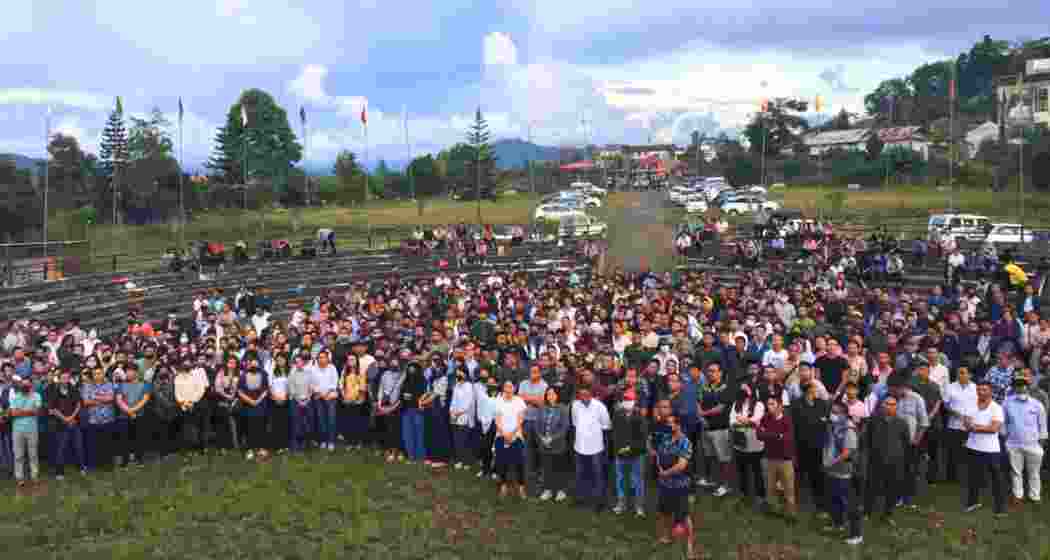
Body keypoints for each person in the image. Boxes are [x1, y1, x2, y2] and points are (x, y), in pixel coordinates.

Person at [654, 413, 699, 560]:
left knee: (684, 516)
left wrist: (665, 473)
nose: (669, 425)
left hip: (680, 485)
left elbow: (681, 465)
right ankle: (667, 537)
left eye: (672, 423)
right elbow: (658, 454)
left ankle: (690, 547)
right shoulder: (665, 439)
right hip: (665, 485)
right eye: (668, 423)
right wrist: (659, 467)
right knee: (664, 512)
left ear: (679, 425)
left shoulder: (685, 442)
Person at [963, 379, 1006, 515]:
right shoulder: (970, 405)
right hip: (973, 447)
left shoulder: (996, 408)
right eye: (979, 390)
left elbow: (994, 429)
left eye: (984, 390)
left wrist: (975, 427)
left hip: (991, 449)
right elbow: (966, 424)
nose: (981, 392)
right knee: (973, 477)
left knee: (996, 479)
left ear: (990, 392)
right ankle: (973, 502)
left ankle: (1000, 508)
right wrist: (982, 427)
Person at [1003, 375, 1048, 504]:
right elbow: (1004, 422)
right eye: (1018, 384)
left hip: (1033, 444)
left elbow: (1042, 425)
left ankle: (1035, 496)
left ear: (1027, 386)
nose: (1021, 387)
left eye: (1023, 384)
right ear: (1014, 387)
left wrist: (1041, 443)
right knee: (1016, 472)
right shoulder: (1007, 403)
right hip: (1013, 443)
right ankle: (1018, 495)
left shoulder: (1037, 404)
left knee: (1034, 472)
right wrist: (1006, 438)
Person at [823, 400, 861, 545]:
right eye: (832, 412)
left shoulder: (848, 429)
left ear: (844, 414)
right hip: (832, 471)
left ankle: (856, 534)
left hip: (845, 472)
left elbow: (847, 453)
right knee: (834, 500)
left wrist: (830, 463)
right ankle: (838, 523)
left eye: (836, 412)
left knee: (850, 504)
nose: (833, 415)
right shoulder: (832, 426)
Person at [572, 384, 611, 511]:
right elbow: (575, 422)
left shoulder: (599, 407)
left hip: (595, 446)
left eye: (586, 395)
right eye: (581, 395)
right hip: (579, 446)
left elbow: (606, 425)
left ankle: (599, 501)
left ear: (591, 394)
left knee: (597, 474)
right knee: (580, 474)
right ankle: (580, 499)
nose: (584, 397)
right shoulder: (575, 406)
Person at [757, 395, 796, 519]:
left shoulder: (787, 420)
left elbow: (787, 438)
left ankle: (790, 513)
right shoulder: (765, 418)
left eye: (772, 404)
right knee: (770, 486)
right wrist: (777, 435)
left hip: (785, 459)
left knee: (788, 488)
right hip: (769, 458)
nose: (769, 407)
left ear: (780, 406)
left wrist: (768, 434)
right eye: (768, 404)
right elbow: (759, 435)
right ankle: (774, 509)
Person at [698, 363, 734, 497]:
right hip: (706, 427)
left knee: (723, 458)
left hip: (721, 428)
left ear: (720, 373)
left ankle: (726, 485)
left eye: (713, 371)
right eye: (708, 371)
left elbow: (721, 407)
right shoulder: (705, 387)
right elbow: (698, 402)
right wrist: (701, 416)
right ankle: (711, 480)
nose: (710, 373)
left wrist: (703, 414)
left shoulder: (726, 387)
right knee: (709, 456)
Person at [611, 389, 649, 516]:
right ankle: (621, 504)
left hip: (637, 453)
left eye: (630, 400)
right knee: (620, 478)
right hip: (620, 452)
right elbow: (614, 434)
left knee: (637, 479)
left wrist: (629, 448)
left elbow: (642, 437)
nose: (627, 402)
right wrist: (619, 449)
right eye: (625, 400)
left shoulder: (640, 417)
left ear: (634, 401)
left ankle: (639, 506)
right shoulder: (617, 415)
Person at [731, 383, 766, 504]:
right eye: (742, 388)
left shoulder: (759, 404)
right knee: (742, 471)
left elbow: (756, 419)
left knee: (757, 471)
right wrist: (746, 422)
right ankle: (744, 493)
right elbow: (732, 421)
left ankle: (760, 495)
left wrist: (743, 421)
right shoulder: (736, 404)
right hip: (740, 443)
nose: (743, 391)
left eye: (746, 388)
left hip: (755, 443)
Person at [535, 386, 571, 503]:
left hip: (558, 445)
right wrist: (542, 438)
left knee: (559, 468)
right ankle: (548, 489)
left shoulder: (563, 409)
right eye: (548, 394)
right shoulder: (542, 408)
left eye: (553, 394)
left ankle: (561, 490)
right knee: (546, 468)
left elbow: (564, 427)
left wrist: (552, 439)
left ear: (558, 395)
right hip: (544, 444)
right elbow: (537, 425)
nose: (550, 396)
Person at [47, 368, 85, 478]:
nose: (65, 380)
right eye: (63, 378)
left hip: (74, 422)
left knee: (78, 446)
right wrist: (65, 419)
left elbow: (78, 404)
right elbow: (52, 409)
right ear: (58, 379)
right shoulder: (53, 391)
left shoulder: (73, 389)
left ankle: (81, 467)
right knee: (61, 448)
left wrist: (71, 418)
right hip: (60, 424)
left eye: (67, 378)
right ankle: (59, 471)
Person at [494, 380, 527, 499]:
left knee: (519, 463)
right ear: (503, 388)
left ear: (514, 388)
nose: (508, 388)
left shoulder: (519, 401)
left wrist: (512, 434)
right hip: (501, 436)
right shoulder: (498, 401)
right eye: (506, 386)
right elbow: (497, 420)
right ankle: (503, 486)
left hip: (516, 436)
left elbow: (520, 419)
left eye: (510, 386)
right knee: (501, 462)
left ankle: (521, 487)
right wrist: (504, 434)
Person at [944, 366, 978, 483]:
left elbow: (980, 404)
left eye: (963, 373)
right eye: (959, 373)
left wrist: (972, 417)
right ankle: (952, 478)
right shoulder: (950, 387)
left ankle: (971, 476)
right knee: (953, 453)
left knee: (972, 452)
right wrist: (958, 415)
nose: (960, 375)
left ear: (970, 375)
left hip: (972, 425)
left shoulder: (975, 388)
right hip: (955, 424)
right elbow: (946, 405)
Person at [114, 362, 151, 467]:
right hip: (124, 416)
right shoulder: (120, 385)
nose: (129, 373)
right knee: (124, 439)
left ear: (136, 372)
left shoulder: (145, 384)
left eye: (131, 371)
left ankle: (139, 459)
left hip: (139, 416)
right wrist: (129, 411)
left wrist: (134, 410)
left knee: (139, 438)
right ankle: (124, 460)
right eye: (127, 371)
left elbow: (145, 399)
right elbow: (119, 400)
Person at [81, 367, 117, 470]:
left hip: (107, 419)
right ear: (92, 375)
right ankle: (93, 465)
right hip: (93, 419)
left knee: (107, 444)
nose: (97, 375)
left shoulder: (109, 385)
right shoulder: (87, 386)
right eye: (95, 374)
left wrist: (95, 397)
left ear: (103, 374)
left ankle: (107, 465)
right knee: (92, 444)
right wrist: (103, 399)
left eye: (100, 373)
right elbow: (85, 402)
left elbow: (110, 398)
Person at [8, 375, 41, 487]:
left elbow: (36, 412)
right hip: (17, 430)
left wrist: (20, 412)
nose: (25, 385)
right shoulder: (15, 397)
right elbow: (13, 414)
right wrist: (28, 411)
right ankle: (19, 478)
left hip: (32, 429)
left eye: (27, 383)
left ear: (31, 384)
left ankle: (34, 476)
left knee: (33, 454)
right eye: (23, 384)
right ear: (20, 385)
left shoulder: (36, 396)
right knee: (18, 455)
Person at [237, 355, 270, 460]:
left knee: (261, 427)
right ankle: (249, 449)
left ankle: (262, 449)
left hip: (261, 405)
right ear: (248, 364)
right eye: (252, 363)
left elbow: (266, 389)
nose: (254, 365)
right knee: (248, 428)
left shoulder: (264, 374)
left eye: (256, 363)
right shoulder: (243, 375)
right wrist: (250, 401)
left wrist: (258, 401)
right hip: (247, 405)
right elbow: (240, 391)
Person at [310, 350, 339, 451]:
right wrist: (320, 393)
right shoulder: (313, 369)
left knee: (331, 419)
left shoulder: (332, 368)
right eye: (319, 357)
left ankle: (331, 441)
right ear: (317, 359)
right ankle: (323, 441)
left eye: (323, 357)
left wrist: (326, 394)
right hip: (318, 397)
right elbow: (312, 384)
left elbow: (334, 383)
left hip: (330, 397)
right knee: (321, 420)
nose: (321, 359)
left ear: (327, 358)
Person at [449, 366, 477, 470]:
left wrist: (458, 413)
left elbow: (468, 403)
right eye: (457, 373)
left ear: (465, 374)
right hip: (455, 416)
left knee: (465, 440)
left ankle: (467, 461)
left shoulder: (469, 386)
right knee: (457, 440)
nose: (459, 375)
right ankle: (459, 460)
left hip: (465, 417)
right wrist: (452, 411)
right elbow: (453, 400)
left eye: (460, 373)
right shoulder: (456, 386)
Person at [288, 354, 314, 453]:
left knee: (307, 423)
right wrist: (299, 401)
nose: (298, 363)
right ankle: (296, 444)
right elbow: (291, 388)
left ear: (303, 362)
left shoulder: (309, 373)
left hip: (307, 401)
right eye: (296, 362)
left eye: (300, 361)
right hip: (295, 401)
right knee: (296, 423)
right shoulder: (292, 374)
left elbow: (311, 387)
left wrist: (307, 399)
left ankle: (306, 443)